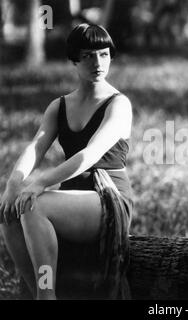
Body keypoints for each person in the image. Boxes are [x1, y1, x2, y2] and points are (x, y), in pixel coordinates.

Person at [0, 23, 133, 300]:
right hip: (72, 198)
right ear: (74, 59)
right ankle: (39, 287)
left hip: (108, 198)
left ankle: (47, 295)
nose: (98, 63)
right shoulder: (59, 105)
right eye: (88, 55)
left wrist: (40, 183)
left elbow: (90, 154)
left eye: (104, 54)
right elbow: (36, 147)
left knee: (34, 204)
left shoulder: (118, 104)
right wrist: (14, 183)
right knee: (9, 213)